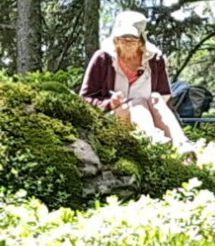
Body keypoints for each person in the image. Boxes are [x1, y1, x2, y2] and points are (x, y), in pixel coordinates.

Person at [80, 11, 192, 149]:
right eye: (121, 39)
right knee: (137, 102)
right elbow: (84, 99)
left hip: (151, 118)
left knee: (155, 98)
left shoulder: (155, 60)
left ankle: (183, 146)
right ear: (115, 40)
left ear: (141, 41)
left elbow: (165, 97)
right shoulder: (103, 58)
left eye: (131, 39)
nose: (126, 43)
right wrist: (110, 103)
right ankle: (152, 141)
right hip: (112, 119)